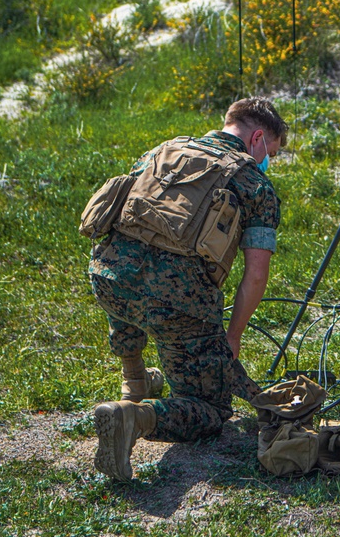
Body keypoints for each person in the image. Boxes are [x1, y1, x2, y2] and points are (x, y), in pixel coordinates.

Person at [88, 97, 287, 481]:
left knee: (130, 275)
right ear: (258, 137)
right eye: (271, 153)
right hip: (177, 307)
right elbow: (256, 276)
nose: (268, 162)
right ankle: (135, 417)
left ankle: (134, 380)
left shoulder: (162, 151)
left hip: (106, 278)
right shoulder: (255, 185)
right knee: (210, 410)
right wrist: (232, 336)